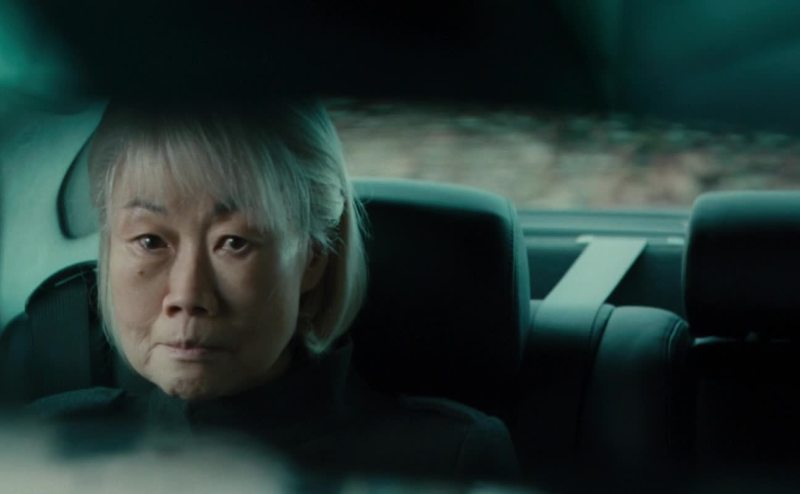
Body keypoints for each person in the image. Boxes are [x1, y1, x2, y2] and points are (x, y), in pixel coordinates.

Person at [29, 99, 519, 482]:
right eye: (150, 241)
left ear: (312, 258)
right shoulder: (49, 440)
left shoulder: (447, 462)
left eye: (234, 242)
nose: (188, 294)